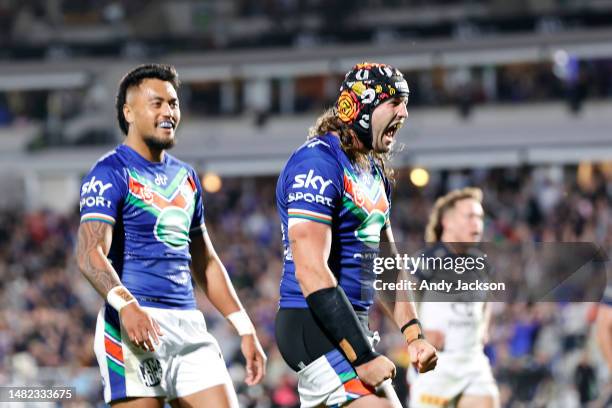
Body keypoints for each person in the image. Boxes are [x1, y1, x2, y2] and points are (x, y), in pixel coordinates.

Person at [76, 64, 266, 407]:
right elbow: (89, 254)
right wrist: (127, 306)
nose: (169, 112)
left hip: (189, 326)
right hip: (133, 324)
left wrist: (244, 326)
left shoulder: (187, 177)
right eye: (157, 103)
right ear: (128, 112)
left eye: (173, 103)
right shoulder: (109, 172)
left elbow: (206, 261)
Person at [275, 62, 438, 408]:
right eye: (394, 102)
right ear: (360, 106)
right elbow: (310, 271)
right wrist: (363, 356)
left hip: (348, 327)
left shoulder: (373, 171)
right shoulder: (316, 164)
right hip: (314, 324)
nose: (405, 112)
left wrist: (414, 335)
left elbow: (388, 266)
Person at [409, 187, 500, 408]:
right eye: (470, 216)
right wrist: (417, 333)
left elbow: (486, 303)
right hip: (437, 364)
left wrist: (484, 328)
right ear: (447, 221)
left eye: (480, 217)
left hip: (472, 362)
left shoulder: (482, 264)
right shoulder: (426, 260)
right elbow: (397, 299)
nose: (477, 223)